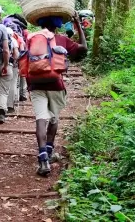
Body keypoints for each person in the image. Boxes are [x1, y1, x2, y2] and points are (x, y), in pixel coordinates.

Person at [29, 14, 87, 176]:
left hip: (35, 85)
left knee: (41, 119)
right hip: (55, 84)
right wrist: (77, 24)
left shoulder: (32, 38)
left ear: (40, 24)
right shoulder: (61, 39)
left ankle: (42, 159)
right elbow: (83, 48)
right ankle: (49, 149)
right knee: (53, 119)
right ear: (58, 25)